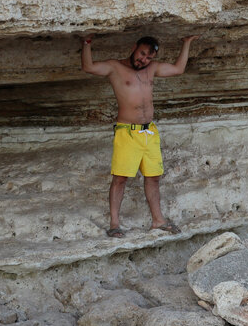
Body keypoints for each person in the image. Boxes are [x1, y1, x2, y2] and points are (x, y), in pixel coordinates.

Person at [80, 33, 199, 238]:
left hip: (149, 132)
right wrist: (87, 43)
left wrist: (186, 43)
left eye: (148, 57)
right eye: (142, 54)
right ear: (134, 47)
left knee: (153, 177)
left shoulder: (151, 69)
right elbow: (88, 67)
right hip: (127, 131)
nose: (143, 60)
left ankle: (158, 220)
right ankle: (114, 224)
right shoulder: (115, 68)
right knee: (121, 178)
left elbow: (179, 69)